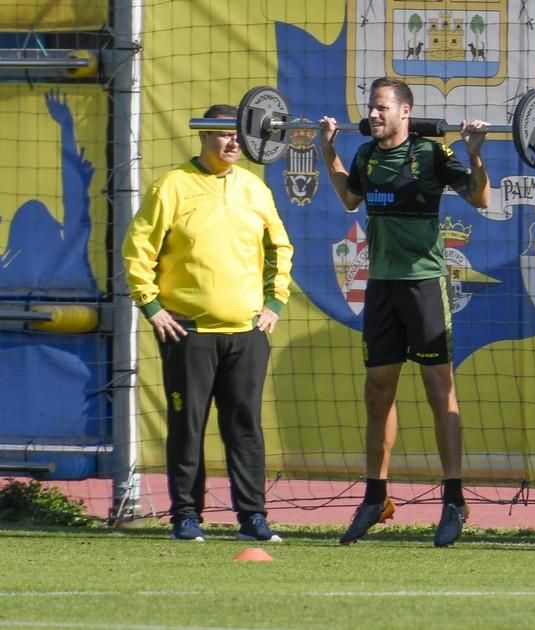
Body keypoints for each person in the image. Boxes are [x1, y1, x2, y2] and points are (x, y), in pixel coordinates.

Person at [318, 76, 489, 547]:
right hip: (382, 287)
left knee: (440, 390)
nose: (372, 115)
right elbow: (351, 197)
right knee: (377, 392)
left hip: (424, 286)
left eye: (380, 108)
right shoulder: (366, 156)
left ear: (405, 112)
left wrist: (474, 152)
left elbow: (480, 197)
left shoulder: (433, 154)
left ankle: (454, 499)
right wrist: (326, 150)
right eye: (370, 108)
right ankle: (376, 497)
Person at [122, 104, 294, 542]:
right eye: (221, 134)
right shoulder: (172, 187)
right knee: (187, 425)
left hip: (247, 334)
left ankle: (252, 518)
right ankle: (185, 516)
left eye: (237, 134)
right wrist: (152, 307)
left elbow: (279, 249)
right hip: (189, 333)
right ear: (202, 137)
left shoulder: (255, 189)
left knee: (245, 427)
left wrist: (274, 301)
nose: (232, 142)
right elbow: (138, 250)